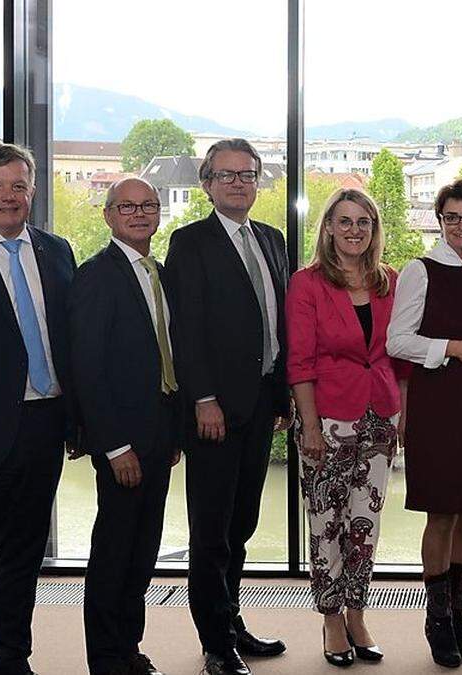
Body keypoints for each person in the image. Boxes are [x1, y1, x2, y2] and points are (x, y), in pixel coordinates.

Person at [165, 139, 290, 675]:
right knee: (211, 530)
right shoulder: (188, 242)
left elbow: (280, 324)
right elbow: (185, 331)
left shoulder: (273, 239)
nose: (239, 183)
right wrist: (203, 398)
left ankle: (233, 622)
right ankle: (215, 643)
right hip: (214, 409)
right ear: (207, 183)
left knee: (242, 523)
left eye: (248, 174)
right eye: (227, 175)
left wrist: (281, 395)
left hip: (263, 403)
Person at [0, 142, 77, 675]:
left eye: (19, 186)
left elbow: (71, 341)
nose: (9, 196)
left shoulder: (58, 251)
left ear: (32, 191)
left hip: (45, 424)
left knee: (24, 554)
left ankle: (11, 653)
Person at [386, 178, 462, 668]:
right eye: (452, 217)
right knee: (441, 511)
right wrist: (451, 348)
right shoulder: (421, 270)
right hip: (437, 401)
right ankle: (437, 622)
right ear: (440, 221)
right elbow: (398, 340)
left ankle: (459, 615)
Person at [286, 188, 410, 667]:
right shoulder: (307, 283)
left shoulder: (390, 281)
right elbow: (299, 362)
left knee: (366, 521)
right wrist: (310, 425)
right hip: (328, 416)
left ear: (374, 229)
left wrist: (404, 417)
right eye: (345, 221)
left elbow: (400, 356)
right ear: (329, 228)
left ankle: (358, 611)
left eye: (363, 222)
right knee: (326, 523)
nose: (354, 230)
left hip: (380, 413)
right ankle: (331, 617)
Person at [71, 177, 181, 675]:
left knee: (142, 553)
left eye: (148, 205)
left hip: (160, 434)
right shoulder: (97, 276)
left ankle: (128, 650)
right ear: (109, 215)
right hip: (123, 442)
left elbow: (166, 356)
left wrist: (173, 434)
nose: (140, 214)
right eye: (128, 206)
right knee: (114, 553)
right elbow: (87, 369)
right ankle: (106, 660)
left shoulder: (157, 272)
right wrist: (114, 447)